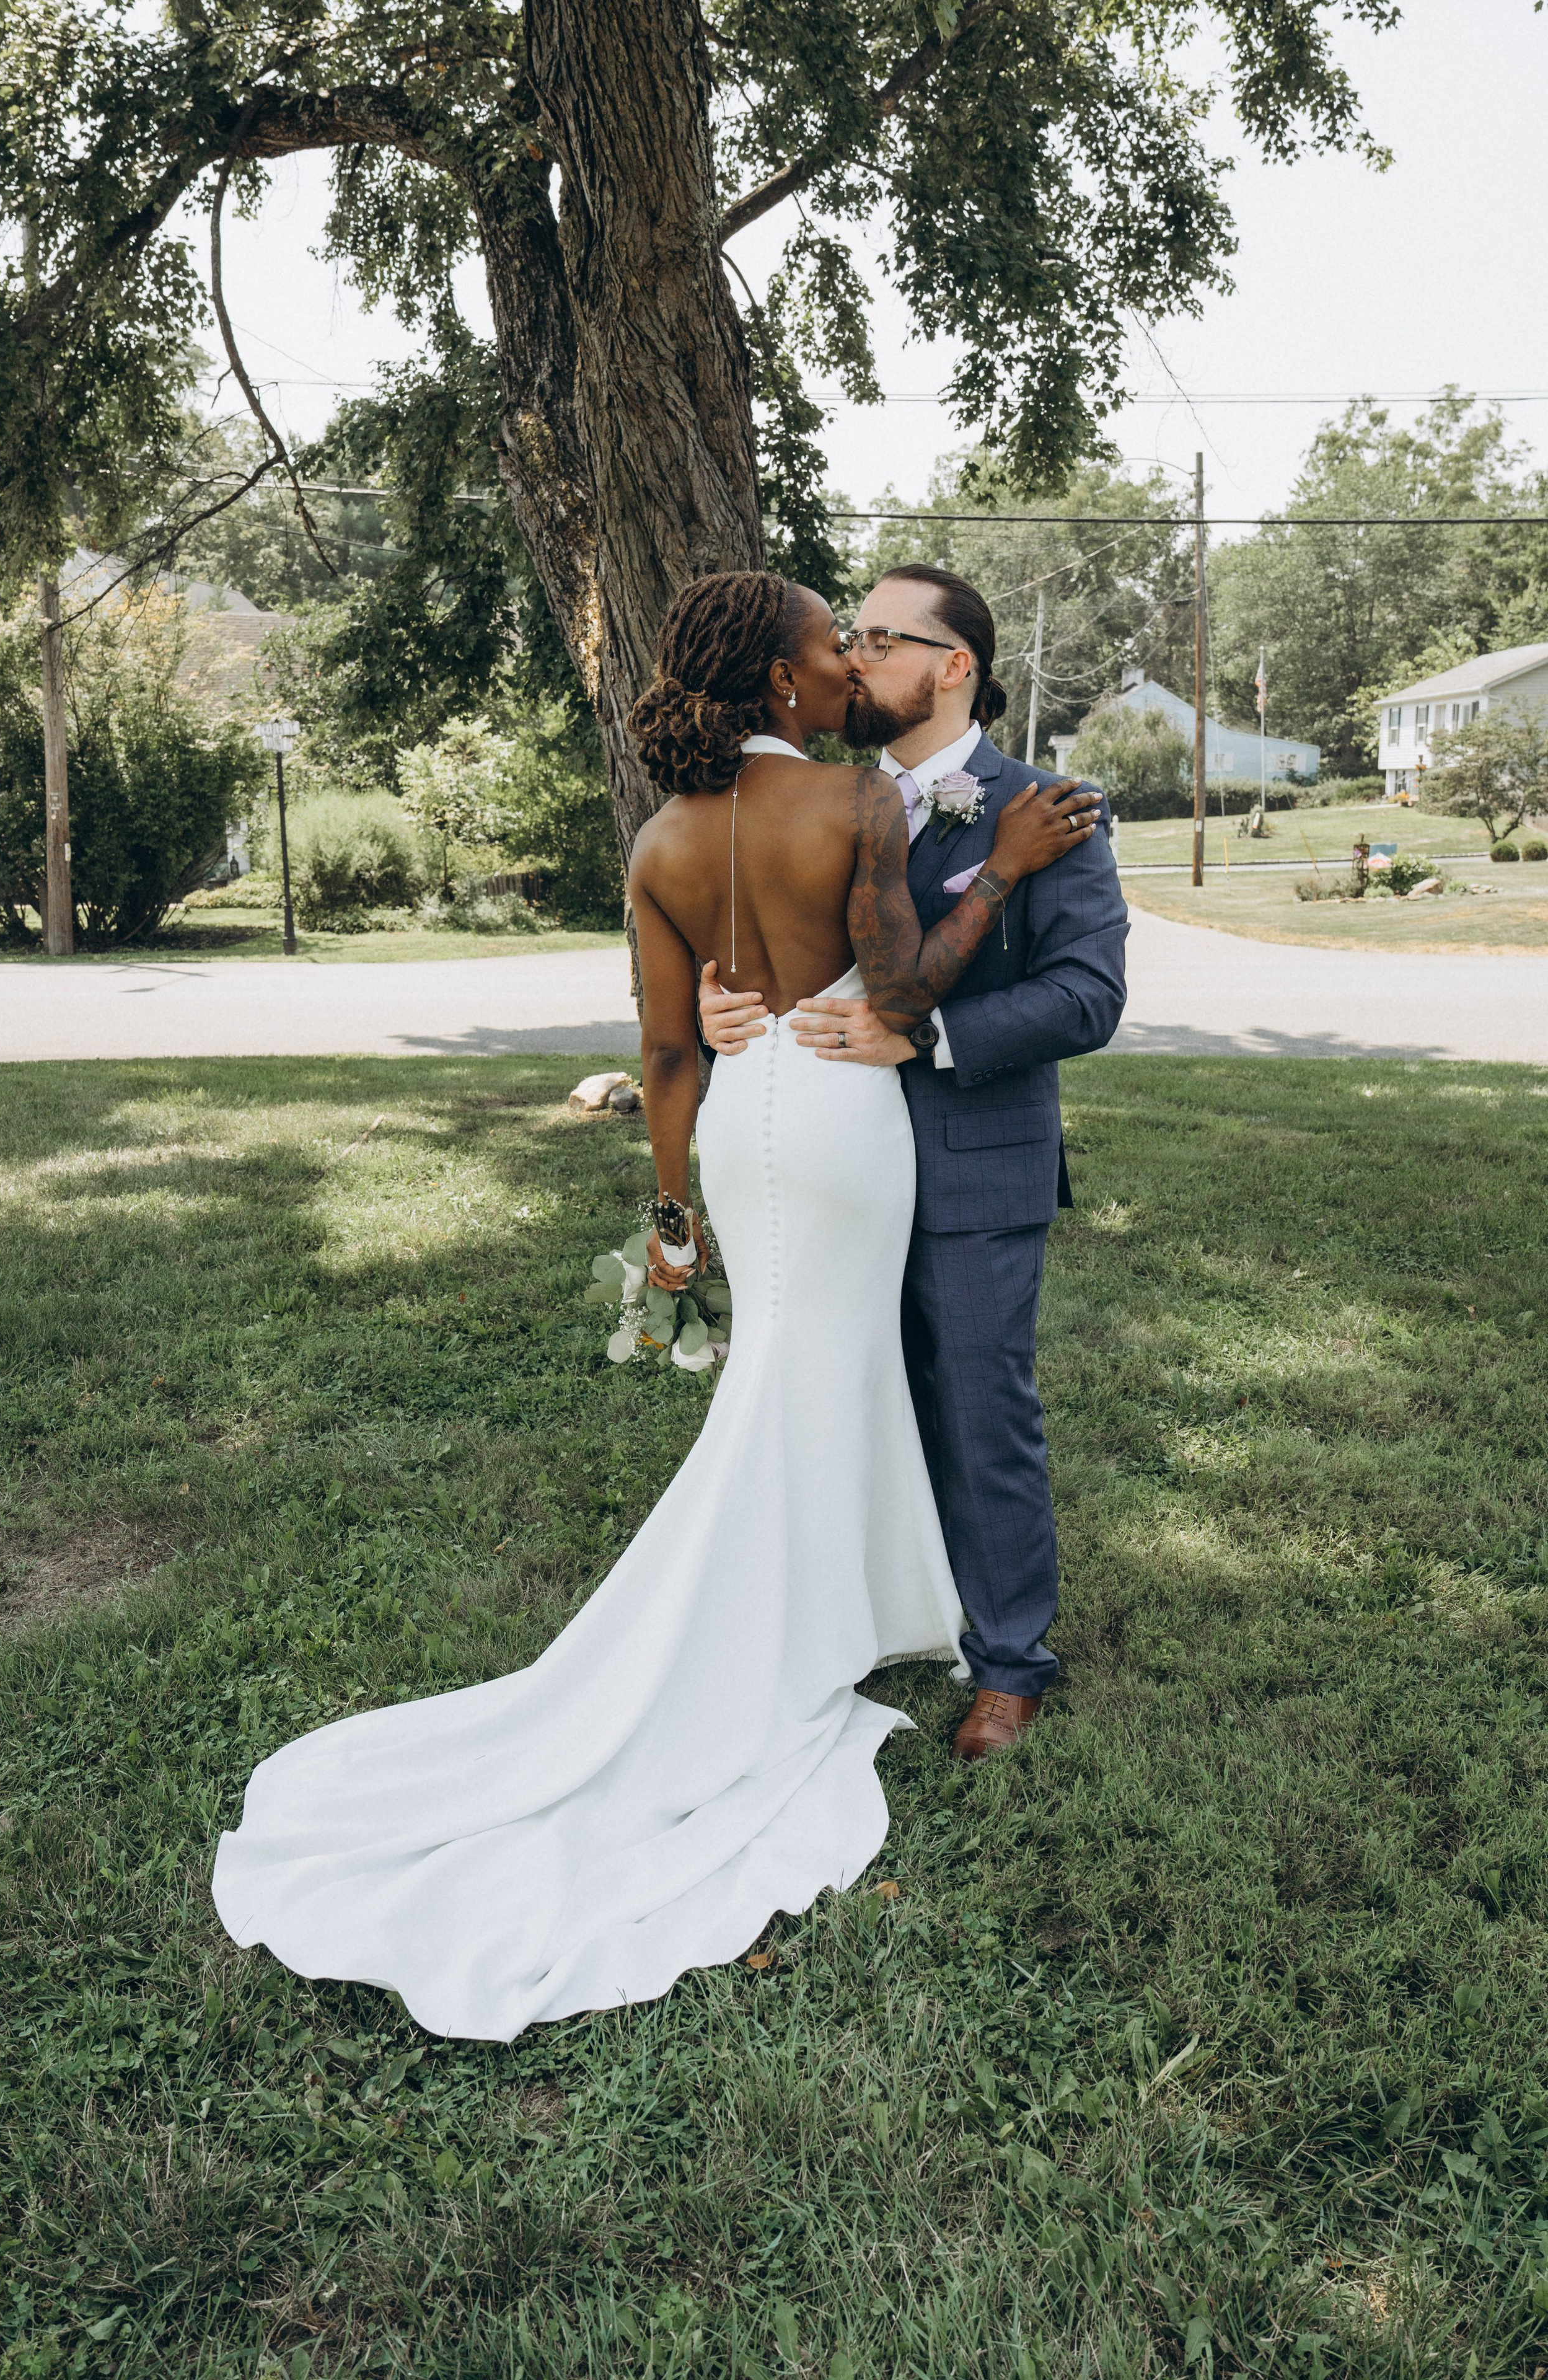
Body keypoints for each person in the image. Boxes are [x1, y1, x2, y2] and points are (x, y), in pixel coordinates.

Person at [211, 570, 1097, 2042]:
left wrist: (673, 1208)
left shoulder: (659, 839)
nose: (842, 667)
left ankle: (872, 1598)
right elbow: (896, 992)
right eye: (828, 648)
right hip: (839, 1120)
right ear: (780, 687)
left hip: (744, 1134)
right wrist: (995, 871)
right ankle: (792, 1630)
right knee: (816, 1379)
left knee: (799, 1374)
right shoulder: (857, 807)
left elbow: (666, 1052)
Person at [700, 565, 1128, 1760]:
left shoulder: (1050, 805)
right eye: (853, 635)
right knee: (834, 1395)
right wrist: (713, 1000)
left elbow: (1088, 998)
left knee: (978, 1411)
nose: (857, 657)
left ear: (955, 667)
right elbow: (745, 941)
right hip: (827, 1168)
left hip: (969, 1165)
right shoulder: (809, 797)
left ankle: (1008, 1662)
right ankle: (854, 1620)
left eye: (886, 639)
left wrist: (926, 1033)